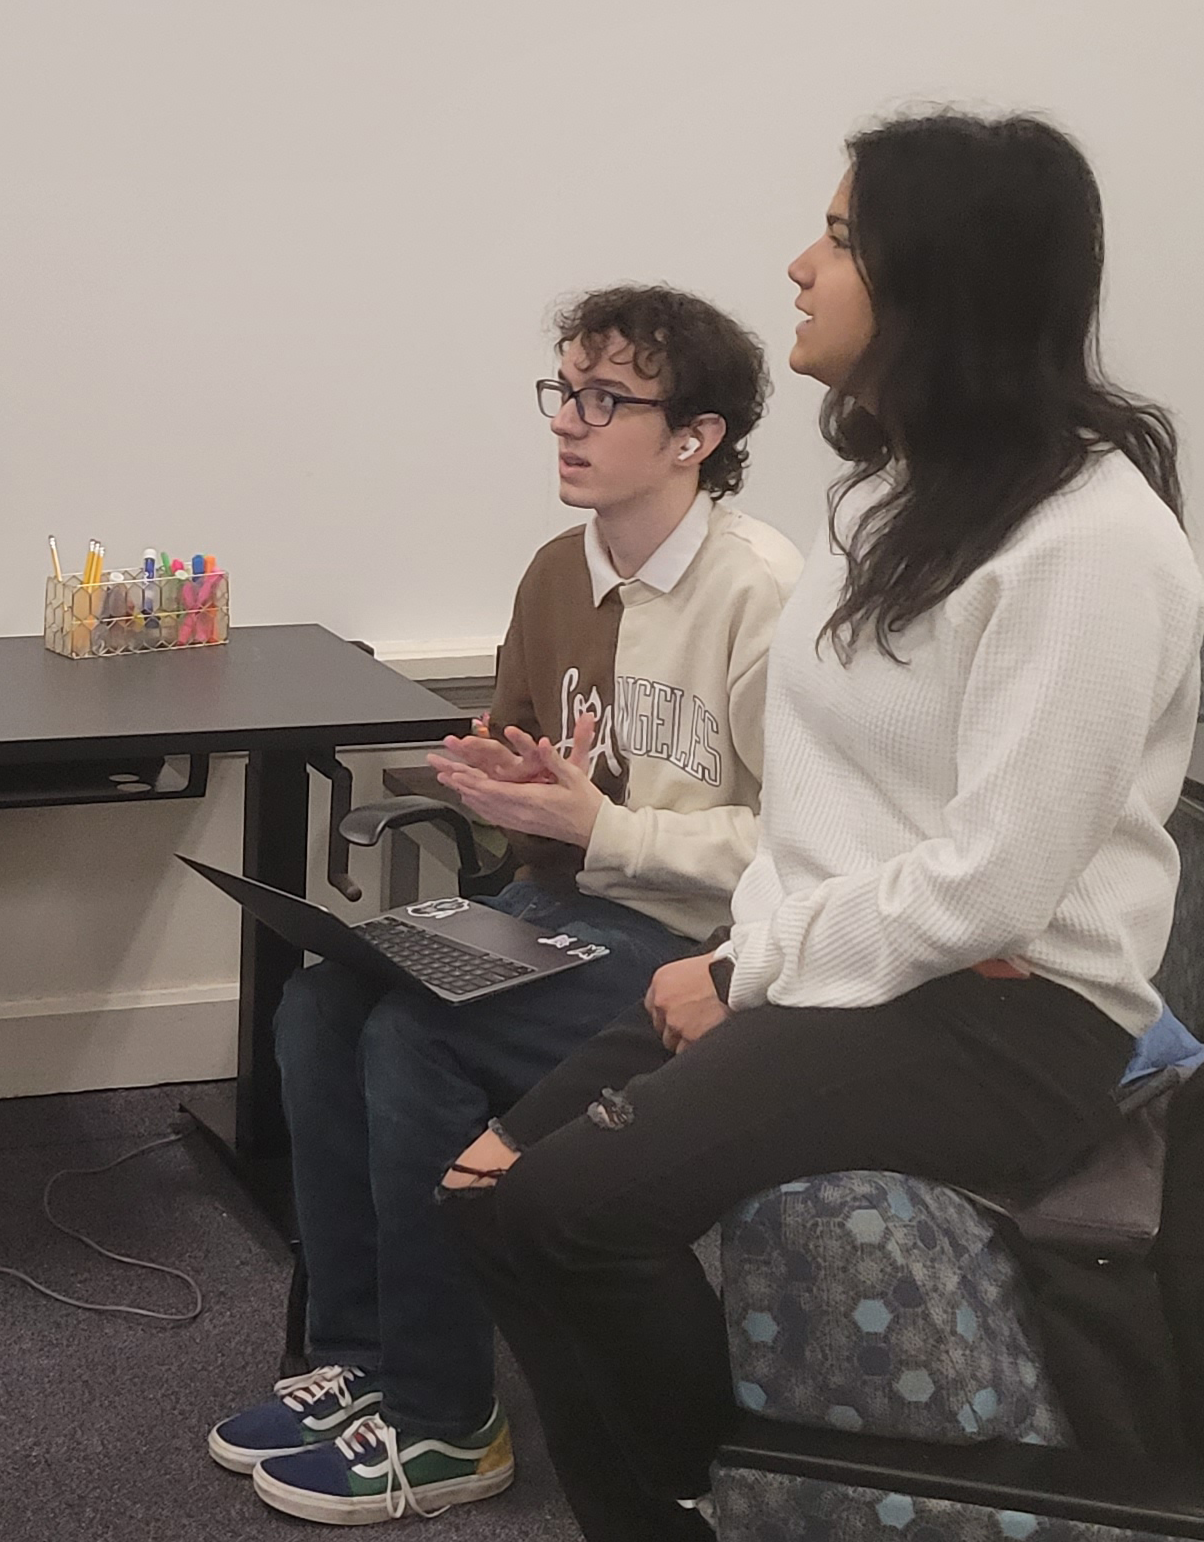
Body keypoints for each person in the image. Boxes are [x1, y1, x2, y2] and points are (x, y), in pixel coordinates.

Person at [443, 111, 1203, 1542]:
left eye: (842, 238)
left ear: (942, 279)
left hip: (1012, 1019)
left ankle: (702, 1503)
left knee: (568, 1213)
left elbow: (992, 884)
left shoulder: (1099, 549)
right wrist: (759, 962)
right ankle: (672, 1503)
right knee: (485, 1196)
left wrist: (744, 977)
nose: (800, 265)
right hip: (853, 969)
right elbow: (823, 810)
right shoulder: (887, 504)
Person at [210, 286, 801, 1523]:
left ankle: (445, 1419)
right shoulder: (555, 573)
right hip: (564, 909)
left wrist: (604, 826)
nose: (568, 425)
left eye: (606, 400)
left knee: (421, 1033)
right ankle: (363, 1361)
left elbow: (809, 848)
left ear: (694, 437)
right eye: (564, 394)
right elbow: (538, 778)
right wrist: (505, 787)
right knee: (323, 1001)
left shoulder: (763, 596)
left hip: (708, 953)